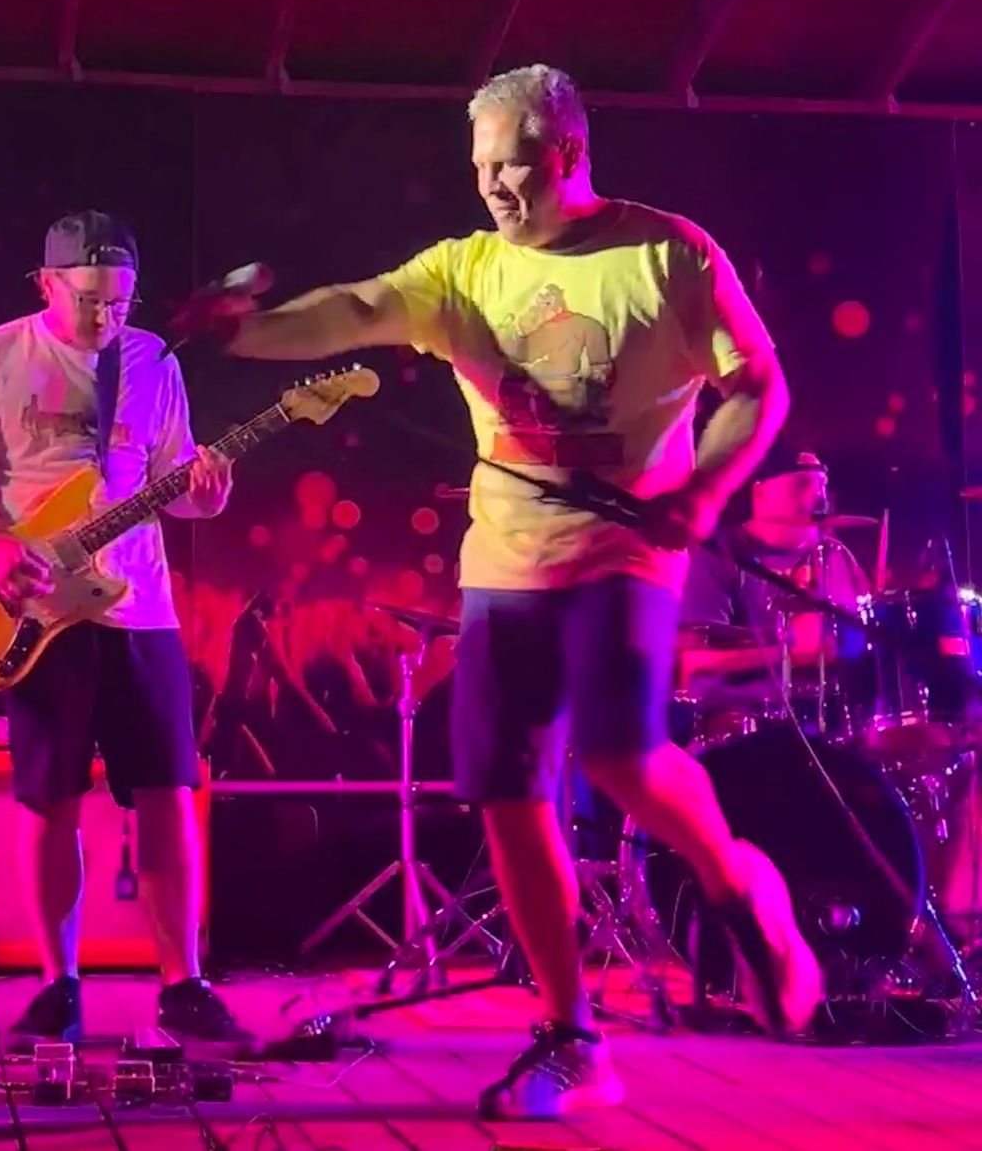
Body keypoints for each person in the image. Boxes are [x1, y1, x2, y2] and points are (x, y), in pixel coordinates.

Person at [215, 64, 822, 1117]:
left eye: (513, 163)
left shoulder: (666, 253)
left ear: (568, 153)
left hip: (625, 551)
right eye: (480, 167)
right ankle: (571, 1034)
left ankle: (736, 878)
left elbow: (758, 390)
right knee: (506, 786)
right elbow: (355, 308)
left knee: (622, 756)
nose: (494, 184)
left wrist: (702, 493)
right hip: (504, 558)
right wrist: (241, 330)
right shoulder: (463, 270)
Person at [0, 211, 251, 1050]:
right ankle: (57, 985)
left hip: (140, 603)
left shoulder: (153, 360)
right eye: (91, 299)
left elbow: (177, 486)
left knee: (169, 792)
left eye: (121, 302)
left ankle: (183, 984)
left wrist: (208, 494)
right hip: (34, 609)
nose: (107, 316)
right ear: (47, 284)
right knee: (49, 798)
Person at [679, 448, 869, 733]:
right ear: (760, 492)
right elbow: (694, 662)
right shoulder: (717, 557)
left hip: (831, 718)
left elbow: (861, 645)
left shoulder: (835, 556)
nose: (819, 496)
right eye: (803, 483)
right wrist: (788, 649)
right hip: (742, 721)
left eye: (822, 484)